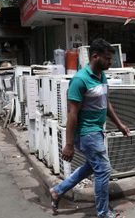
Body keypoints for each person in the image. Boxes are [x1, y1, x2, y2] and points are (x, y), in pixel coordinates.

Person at [49, 38, 129, 218]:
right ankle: (103, 213)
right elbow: (72, 114)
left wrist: (120, 124)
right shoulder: (80, 80)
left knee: (92, 167)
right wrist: (69, 144)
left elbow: (106, 104)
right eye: (107, 59)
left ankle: (57, 191)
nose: (110, 62)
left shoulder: (101, 75)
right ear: (95, 56)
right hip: (86, 133)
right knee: (103, 169)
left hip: (97, 131)